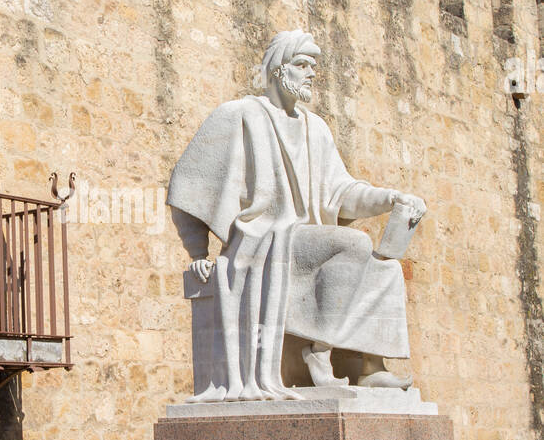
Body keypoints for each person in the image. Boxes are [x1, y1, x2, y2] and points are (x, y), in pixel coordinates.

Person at [167, 29, 426, 401]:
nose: (310, 74)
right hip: (265, 241)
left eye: (313, 68)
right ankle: (318, 352)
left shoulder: (315, 129)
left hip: (306, 241)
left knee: (385, 268)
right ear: (278, 69)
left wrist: (391, 198)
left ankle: (370, 368)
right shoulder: (239, 116)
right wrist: (197, 256)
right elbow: (189, 184)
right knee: (353, 242)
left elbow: (341, 192)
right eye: (302, 65)